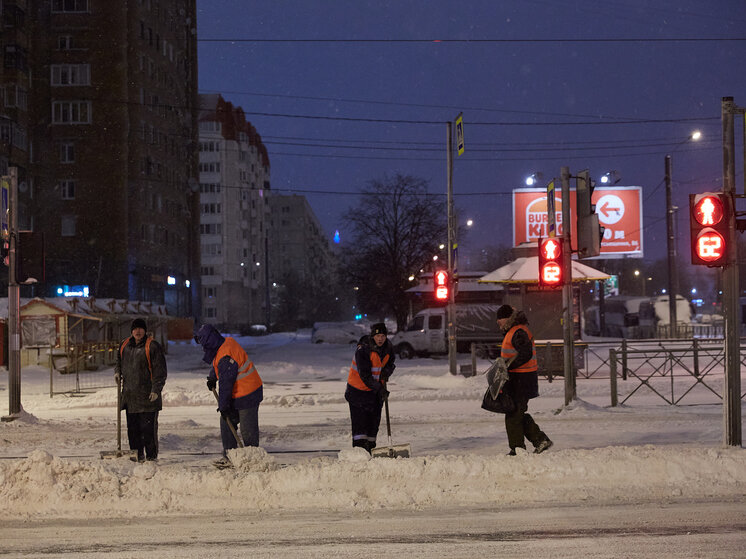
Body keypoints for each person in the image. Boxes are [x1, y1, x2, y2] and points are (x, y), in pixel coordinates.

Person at [194, 324, 263, 465]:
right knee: (226, 422)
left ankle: (254, 460)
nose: (203, 348)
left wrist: (223, 406)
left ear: (209, 341)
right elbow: (217, 362)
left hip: (248, 392)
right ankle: (231, 456)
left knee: (247, 430)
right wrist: (213, 377)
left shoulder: (226, 354)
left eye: (204, 344)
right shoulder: (226, 342)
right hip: (238, 392)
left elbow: (226, 384)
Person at [495, 304, 553, 456]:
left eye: (499, 319)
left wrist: (508, 365)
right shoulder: (514, 331)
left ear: (507, 318)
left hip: (521, 380)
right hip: (519, 380)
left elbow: (524, 354)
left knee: (513, 415)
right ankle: (540, 440)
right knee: (517, 413)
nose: (498, 323)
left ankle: (518, 449)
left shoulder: (518, 331)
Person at [115, 318, 167, 462]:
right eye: (135, 329)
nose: (138, 331)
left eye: (140, 329)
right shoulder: (124, 345)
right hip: (130, 397)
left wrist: (156, 390)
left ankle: (151, 458)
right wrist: (117, 372)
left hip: (148, 397)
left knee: (148, 431)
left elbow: (160, 371)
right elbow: (118, 361)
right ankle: (136, 457)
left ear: (145, 331)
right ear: (131, 331)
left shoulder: (152, 346)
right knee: (133, 431)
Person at [344, 322, 396, 453]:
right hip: (357, 392)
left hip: (374, 392)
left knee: (373, 426)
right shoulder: (363, 349)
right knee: (360, 427)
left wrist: (386, 372)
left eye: (383, 335)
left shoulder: (388, 347)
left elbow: (391, 364)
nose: (380, 339)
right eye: (378, 335)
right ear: (372, 336)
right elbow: (365, 375)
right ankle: (360, 454)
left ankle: (371, 451)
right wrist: (380, 389)